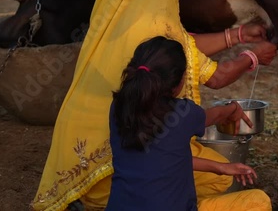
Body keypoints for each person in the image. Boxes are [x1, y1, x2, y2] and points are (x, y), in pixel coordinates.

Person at [31, 0, 278, 211]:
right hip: (112, 179)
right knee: (228, 188)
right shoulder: (181, 105)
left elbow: (184, 45)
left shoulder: (109, 26)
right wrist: (253, 56)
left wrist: (237, 36)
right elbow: (216, 77)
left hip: (88, 173)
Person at [107, 36, 267, 211]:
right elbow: (214, 115)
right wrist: (233, 109)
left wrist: (221, 167)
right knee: (258, 201)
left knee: (221, 178)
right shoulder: (183, 113)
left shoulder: (118, 108)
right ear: (179, 81)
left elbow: (166, 159)